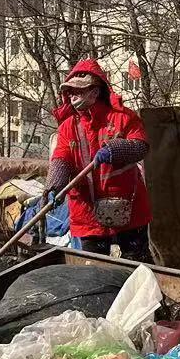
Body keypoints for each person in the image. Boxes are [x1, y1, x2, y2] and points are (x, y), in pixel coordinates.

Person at [45, 60, 152, 261]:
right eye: (69, 91)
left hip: (128, 208)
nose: (72, 95)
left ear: (95, 92)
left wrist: (115, 149)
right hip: (88, 213)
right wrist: (54, 186)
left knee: (137, 266)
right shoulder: (68, 127)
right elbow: (61, 158)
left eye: (78, 90)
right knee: (92, 271)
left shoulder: (123, 118)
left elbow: (141, 146)